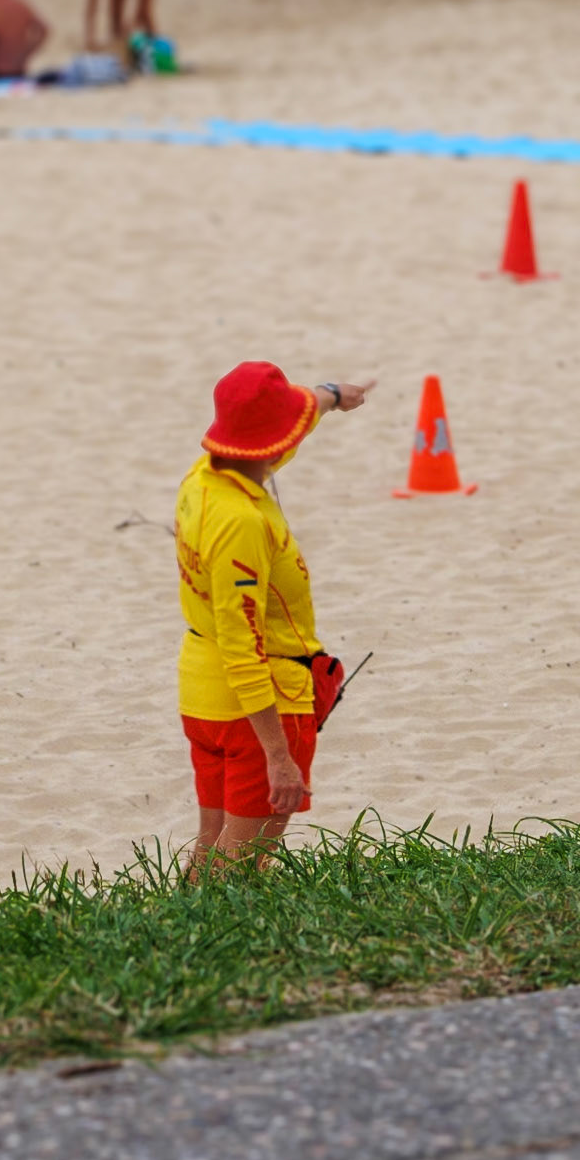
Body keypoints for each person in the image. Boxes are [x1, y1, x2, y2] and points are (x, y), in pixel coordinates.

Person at [176, 360, 374, 872]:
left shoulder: (203, 477)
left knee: (212, 844)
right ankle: (205, 950)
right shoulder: (241, 523)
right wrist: (278, 755)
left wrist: (331, 395)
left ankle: (170, 941)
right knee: (239, 866)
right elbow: (244, 646)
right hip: (259, 706)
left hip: (202, 690)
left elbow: (285, 427)